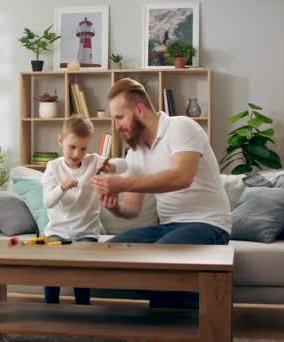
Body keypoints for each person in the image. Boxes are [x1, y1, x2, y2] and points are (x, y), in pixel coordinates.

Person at [91, 78, 231, 308]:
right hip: (169, 226)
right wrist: (114, 205)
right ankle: (189, 308)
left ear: (139, 109)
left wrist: (122, 184)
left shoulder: (181, 127)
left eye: (119, 117)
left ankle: (210, 310)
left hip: (208, 224)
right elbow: (132, 209)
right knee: (110, 256)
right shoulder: (135, 152)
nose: (116, 126)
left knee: (154, 261)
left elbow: (182, 176)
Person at [42, 115, 124, 305]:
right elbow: (47, 202)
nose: (77, 154)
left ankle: (83, 307)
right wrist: (61, 188)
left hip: (86, 232)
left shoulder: (94, 162)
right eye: (72, 147)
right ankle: (51, 307)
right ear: (60, 141)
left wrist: (111, 169)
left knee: (82, 265)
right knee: (50, 265)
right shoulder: (53, 167)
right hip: (57, 232)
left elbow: (120, 166)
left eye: (83, 148)